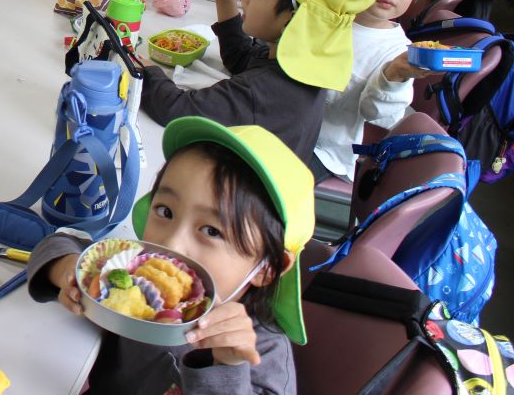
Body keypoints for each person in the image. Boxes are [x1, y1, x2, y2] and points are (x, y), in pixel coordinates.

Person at [29, 116, 314, 394]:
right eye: (166, 212)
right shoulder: (135, 276)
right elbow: (60, 245)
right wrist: (66, 270)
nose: (172, 243)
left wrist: (228, 366)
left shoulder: (263, 354)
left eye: (212, 231)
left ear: (267, 269)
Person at [139, 0, 377, 165]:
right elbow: (242, 57)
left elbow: (177, 110)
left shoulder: (265, 91)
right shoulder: (298, 63)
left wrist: (146, 71)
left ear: (292, 21)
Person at [312, 0, 431, 182]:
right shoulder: (326, 13)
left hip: (324, 149)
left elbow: (378, 114)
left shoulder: (397, 50)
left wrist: (393, 75)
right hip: (284, 120)